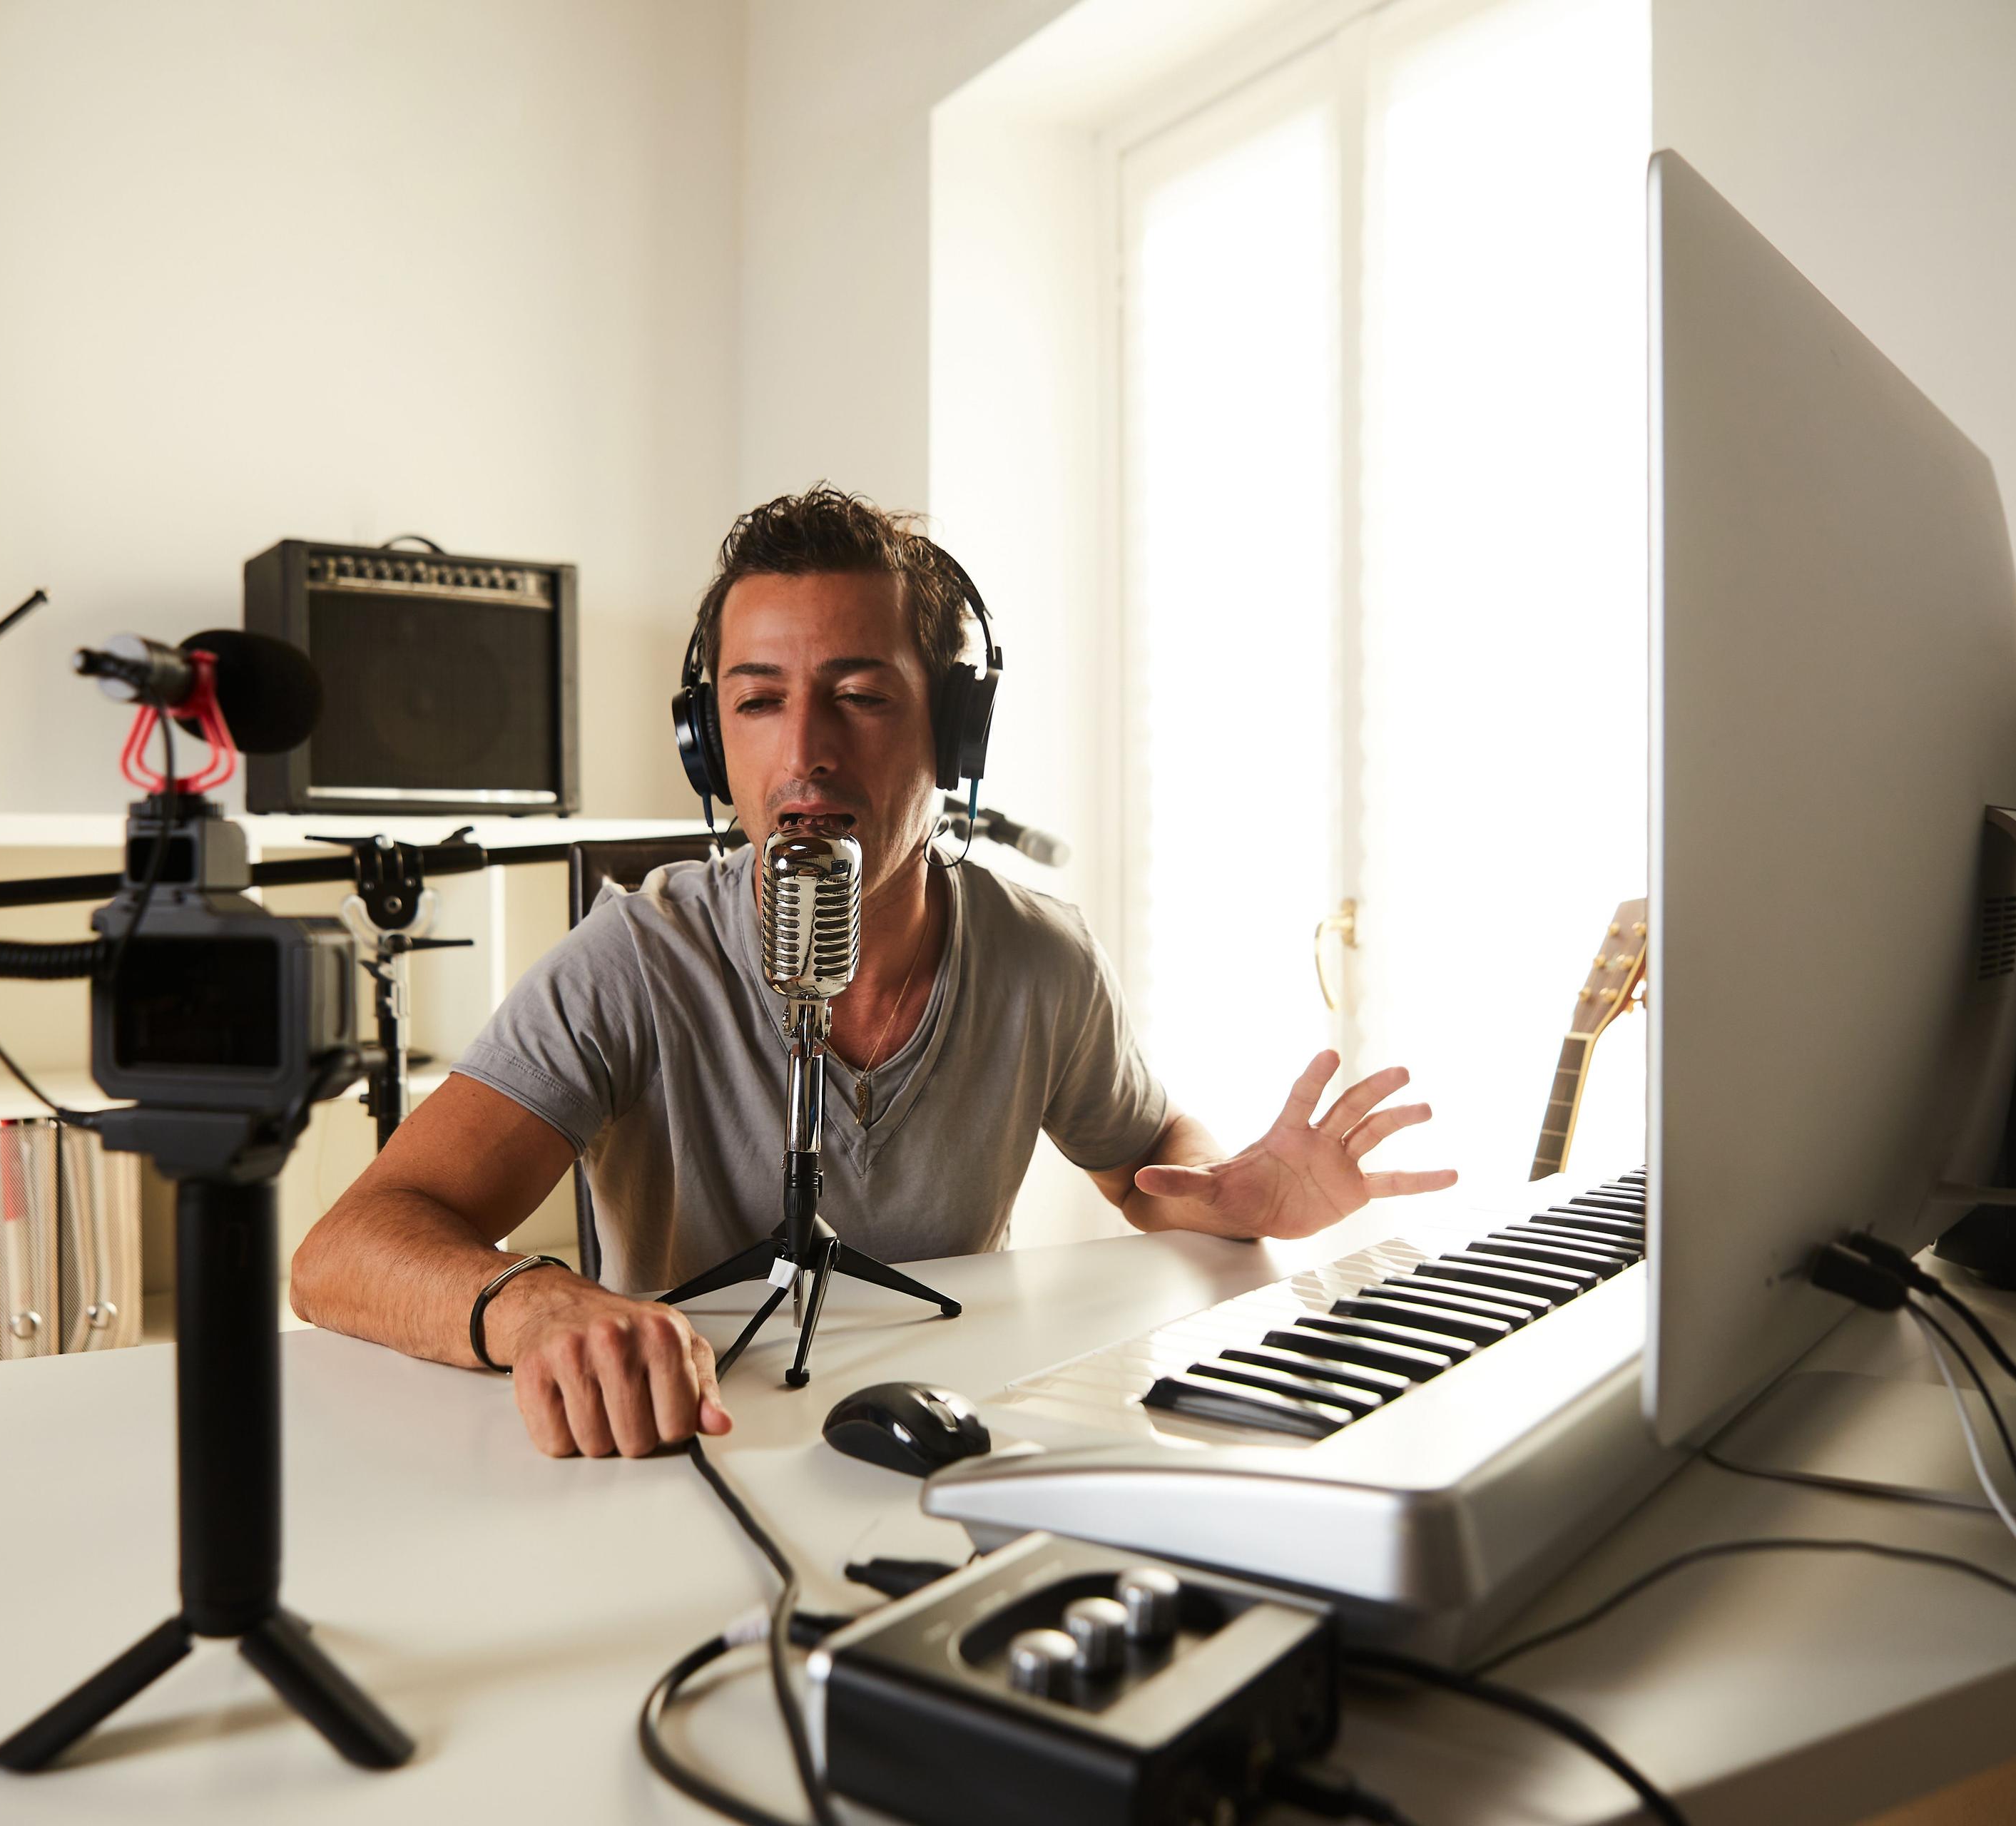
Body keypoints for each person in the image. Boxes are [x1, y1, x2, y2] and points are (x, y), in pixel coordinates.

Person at [290, 486, 1455, 1457]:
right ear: (711, 743)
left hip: (947, 1438)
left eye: (858, 696)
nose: (804, 753)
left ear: (954, 737)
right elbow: (346, 1250)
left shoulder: (1039, 957)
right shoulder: (633, 963)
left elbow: (1153, 1163)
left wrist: (1233, 1191)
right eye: (757, 702)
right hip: (694, 1445)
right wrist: (537, 1302)